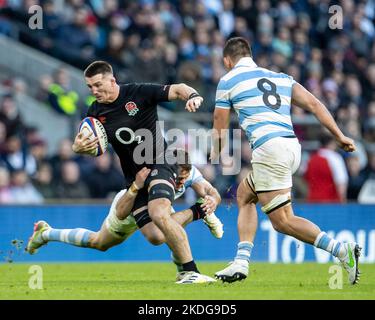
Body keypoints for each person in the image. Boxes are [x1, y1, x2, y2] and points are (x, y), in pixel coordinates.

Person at [44, 61, 214, 284]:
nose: (94, 91)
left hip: (161, 162)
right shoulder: (95, 112)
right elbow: (93, 147)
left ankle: (189, 271)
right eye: (89, 87)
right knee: (155, 236)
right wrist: (78, 148)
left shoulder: (138, 92)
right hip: (134, 179)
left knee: (159, 213)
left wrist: (192, 95)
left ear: (112, 80)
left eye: (98, 85)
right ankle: (196, 212)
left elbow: (177, 88)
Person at [211, 37, 361, 285]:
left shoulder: (228, 80)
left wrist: (215, 151)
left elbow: (219, 122)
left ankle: (342, 250)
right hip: (291, 147)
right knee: (245, 195)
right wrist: (340, 135)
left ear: (227, 60)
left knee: (283, 221)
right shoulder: (280, 78)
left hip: (269, 149)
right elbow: (314, 103)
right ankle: (241, 261)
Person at [26, 158, 223, 281]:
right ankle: (46, 233)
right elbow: (121, 213)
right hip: (130, 203)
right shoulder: (150, 175)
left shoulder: (189, 172)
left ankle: (184, 270)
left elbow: (210, 191)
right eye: (177, 178)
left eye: (184, 178)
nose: (180, 183)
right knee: (99, 242)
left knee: (165, 228)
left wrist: (212, 200)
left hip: (158, 208)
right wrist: (136, 187)